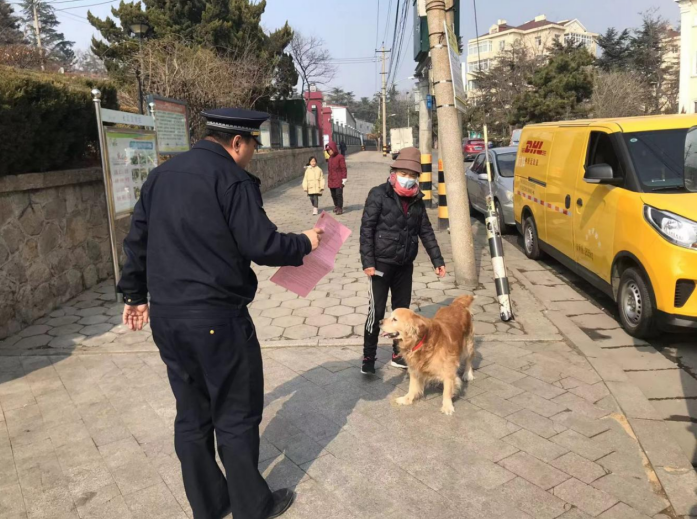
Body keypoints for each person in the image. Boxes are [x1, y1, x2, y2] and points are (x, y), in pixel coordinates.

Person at [118, 108, 323, 519]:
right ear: (237, 142)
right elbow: (262, 245)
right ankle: (252, 506)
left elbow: (137, 239)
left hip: (168, 319)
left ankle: (209, 505)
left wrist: (135, 295)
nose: (253, 153)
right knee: (235, 413)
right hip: (217, 320)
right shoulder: (231, 178)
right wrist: (306, 241)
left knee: (191, 415)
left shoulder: (160, 176)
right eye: (253, 145)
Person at [359, 147, 446, 375]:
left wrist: (437, 259)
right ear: (394, 172)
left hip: (405, 266)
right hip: (380, 265)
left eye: (412, 175)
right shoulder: (379, 194)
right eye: (403, 173)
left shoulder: (417, 199)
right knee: (377, 312)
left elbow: (426, 231)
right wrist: (368, 262)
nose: (407, 178)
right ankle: (368, 356)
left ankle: (398, 354)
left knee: (403, 314)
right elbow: (367, 229)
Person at [326, 141, 347, 215]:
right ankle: (336, 206)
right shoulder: (330, 159)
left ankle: (340, 208)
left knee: (338, 194)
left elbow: (343, 169)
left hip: (338, 179)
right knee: (333, 195)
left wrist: (344, 179)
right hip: (331, 180)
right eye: (328, 150)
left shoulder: (340, 157)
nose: (329, 151)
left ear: (334, 148)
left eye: (330, 150)